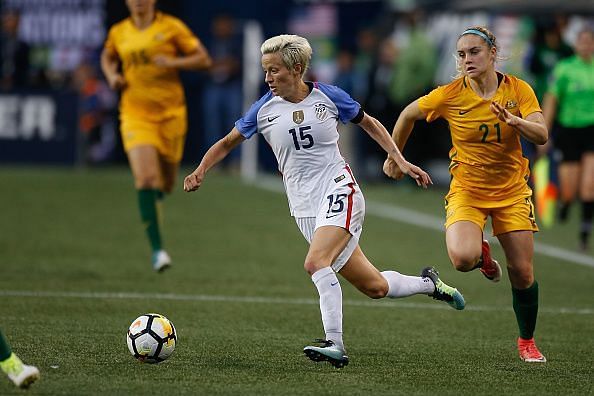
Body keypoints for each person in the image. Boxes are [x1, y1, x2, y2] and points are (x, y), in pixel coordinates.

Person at [184, 34, 465, 368]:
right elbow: (228, 142)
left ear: (297, 68)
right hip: (304, 207)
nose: (268, 78)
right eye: (266, 71)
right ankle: (428, 283)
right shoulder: (264, 109)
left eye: (275, 70)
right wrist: (201, 168)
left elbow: (370, 124)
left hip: (339, 189)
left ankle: (335, 344)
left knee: (316, 262)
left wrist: (399, 159)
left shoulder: (328, 97)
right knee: (374, 286)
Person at [384, 26, 549, 363]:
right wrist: (395, 157)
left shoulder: (519, 90)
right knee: (461, 260)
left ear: (492, 53)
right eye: (461, 54)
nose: (467, 59)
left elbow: (542, 134)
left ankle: (527, 341)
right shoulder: (449, 94)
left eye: (474, 52)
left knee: (522, 272)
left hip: (512, 191)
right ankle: (483, 257)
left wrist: (517, 123)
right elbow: (407, 115)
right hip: (468, 191)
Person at [101, 0, 212, 271]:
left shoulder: (171, 27)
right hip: (135, 113)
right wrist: (111, 75)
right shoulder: (119, 31)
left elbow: (204, 59)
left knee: (166, 182)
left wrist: (174, 61)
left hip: (171, 115)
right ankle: (157, 251)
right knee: (146, 178)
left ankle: (156, 197)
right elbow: (107, 56)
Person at [542, 27, 594, 252]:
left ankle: (584, 235)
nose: (586, 46)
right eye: (582, 42)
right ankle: (565, 202)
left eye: (589, 42)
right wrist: (544, 131)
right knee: (570, 191)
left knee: (589, 188)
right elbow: (552, 100)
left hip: (591, 130)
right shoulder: (564, 69)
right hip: (568, 132)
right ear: (576, 45)